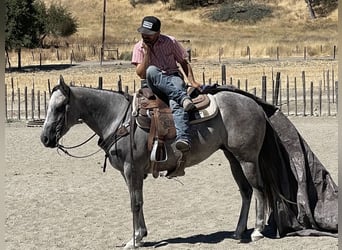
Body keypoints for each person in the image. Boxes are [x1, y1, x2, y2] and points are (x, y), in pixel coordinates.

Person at [131, 16, 201, 152]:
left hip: (173, 76)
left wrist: (192, 81)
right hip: (153, 81)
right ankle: (183, 97)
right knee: (151, 70)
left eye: (149, 34)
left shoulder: (170, 41)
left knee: (175, 102)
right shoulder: (139, 47)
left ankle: (183, 138)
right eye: (143, 33)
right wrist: (147, 54)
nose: (145, 36)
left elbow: (183, 62)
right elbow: (141, 74)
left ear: (158, 32)